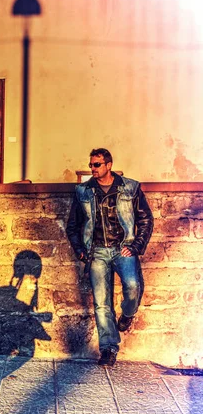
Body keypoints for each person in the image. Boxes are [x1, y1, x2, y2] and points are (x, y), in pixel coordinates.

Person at [66, 148, 154, 366]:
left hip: (124, 248)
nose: (93, 169)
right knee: (101, 303)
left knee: (133, 286)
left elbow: (145, 220)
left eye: (97, 165)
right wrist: (80, 250)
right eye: (91, 165)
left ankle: (127, 314)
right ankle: (108, 348)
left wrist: (136, 246)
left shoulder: (130, 187)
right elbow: (73, 226)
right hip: (97, 251)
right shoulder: (83, 191)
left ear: (108, 165)